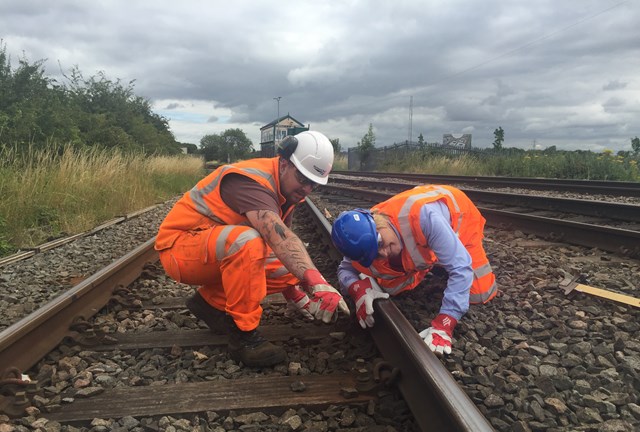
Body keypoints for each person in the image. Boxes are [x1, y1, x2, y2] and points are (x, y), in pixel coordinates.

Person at [155, 131, 349, 367]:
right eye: (303, 179)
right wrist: (317, 282)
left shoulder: (287, 191)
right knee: (246, 242)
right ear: (285, 163)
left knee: (291, 267)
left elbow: (282, 249)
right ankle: (243, 338)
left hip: (212, 249)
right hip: (181, 250)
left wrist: (295, 291)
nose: (307, 189)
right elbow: (279, 237)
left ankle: (209, 304)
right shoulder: (251, 180)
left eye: (314, 184)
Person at [330, 184, 497, 356]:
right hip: (425, 240)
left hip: (460, 222)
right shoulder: (360, 240)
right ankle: (434, 259)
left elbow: (461, 268)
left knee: (478, 293)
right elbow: (344, 269)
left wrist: (446, 322)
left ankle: (441, 256)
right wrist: (357, 289)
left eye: (380, 244)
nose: (385, 253)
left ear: (379, 223)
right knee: (391, 286)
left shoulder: (423, 216)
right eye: (376, 254)